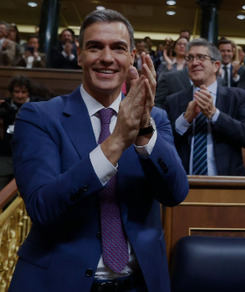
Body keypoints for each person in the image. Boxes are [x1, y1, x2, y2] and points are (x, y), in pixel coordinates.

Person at [8, 9, 189, 292]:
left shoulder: (156, 119)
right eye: (95, 47)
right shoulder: (39, 117)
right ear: (80, 55)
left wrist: (143, 132)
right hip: (58, 282)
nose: (107, 57)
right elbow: (42, 207)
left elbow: (176, 193)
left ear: (131, 57)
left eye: (118, 48)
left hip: (139, 284)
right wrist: (115, 142)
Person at [164, 38, 245, 176]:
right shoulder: (174, 100)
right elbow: (164, 143)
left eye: (201, 57)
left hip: (226, 183)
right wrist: (184, 120)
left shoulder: (238, 97)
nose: (194, 63)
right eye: (190, 58)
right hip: (183, 183)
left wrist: (215, 115)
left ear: (216, 65)